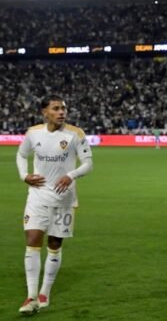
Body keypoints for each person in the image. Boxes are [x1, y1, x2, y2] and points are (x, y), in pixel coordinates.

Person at [16, 95, 94, 314]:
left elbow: (88, 163)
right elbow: (21, 155)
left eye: (64, 109)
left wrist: (71, 175)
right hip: (38, 195)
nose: (62, 112)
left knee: (54, 243)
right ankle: (31, 297)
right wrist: (24, 175)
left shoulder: (75, 134)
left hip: (64, 198)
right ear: (45, 112)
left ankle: (45, 292)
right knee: (32, 239)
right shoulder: (33, 133)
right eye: (56, 108)